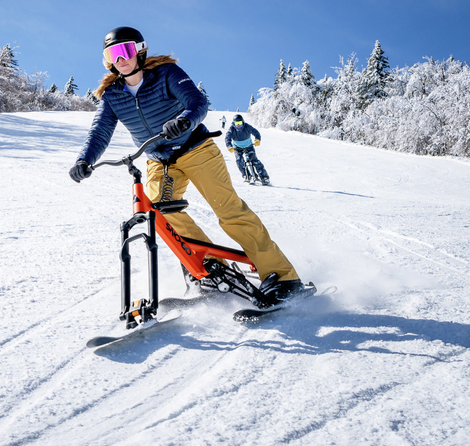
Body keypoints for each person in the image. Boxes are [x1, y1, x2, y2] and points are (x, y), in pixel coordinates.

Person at [68, 26, 307, 304]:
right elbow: (100, 131)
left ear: (139, 50)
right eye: (112, 53)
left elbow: (197, 102)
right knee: (159, 213)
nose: (120, 59)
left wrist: (184, 120)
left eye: (126, 50)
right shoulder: (112, 95)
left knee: (228, 210)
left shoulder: (166, 73)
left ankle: (283, 276)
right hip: (160, 160)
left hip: (195, 148)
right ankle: (214, 269)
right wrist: (85, 159)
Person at [225, 114, 269, 184]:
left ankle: (264, 177)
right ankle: (247, 176)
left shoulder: (247, 126)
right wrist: (229, 146)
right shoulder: (231, 129)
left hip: (248, 146)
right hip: (237, 148)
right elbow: (227, 138)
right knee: (239, 161)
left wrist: (257, 139)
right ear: (234, 124)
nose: (239, 125)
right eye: (237, 123)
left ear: (243, 122)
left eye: (240, 123)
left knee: (254, 160)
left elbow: (255, 132)